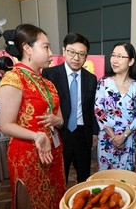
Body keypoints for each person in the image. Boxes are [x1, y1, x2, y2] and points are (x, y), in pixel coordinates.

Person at [0, 24, 65, 209]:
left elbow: (60, 118)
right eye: (45, 47)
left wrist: (56, 120)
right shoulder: (14, 78)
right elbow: (6, 125)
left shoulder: (48, 83)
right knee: (33, 205)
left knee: (54, 199)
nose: (51, 53)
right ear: (27, 48)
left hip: (53, 151)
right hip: (27, 155)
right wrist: (36, 135)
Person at [42, 32, 98, 183]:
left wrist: (94, 132)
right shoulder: (49, 75)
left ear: (86, 57)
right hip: (59, 132)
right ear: (64, 50)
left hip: (82, 133)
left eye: (81, 54)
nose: (76, 58)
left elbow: (92, 108)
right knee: (59, 176)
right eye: (72, 52)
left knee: (84, 175)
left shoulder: (91, 79)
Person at [94, 42, 136, 171]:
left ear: (131, 61)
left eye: (120, 56)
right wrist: (113, 137)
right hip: (107, 138)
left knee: (126, 179)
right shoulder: (104, 83)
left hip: (127, 139)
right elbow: (98, 111)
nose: (115, 60)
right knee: (107, 178)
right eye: (113, 55)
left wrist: (123, 136)